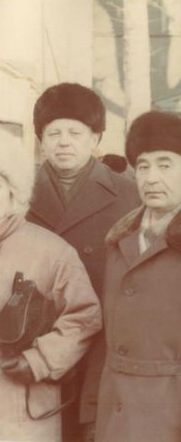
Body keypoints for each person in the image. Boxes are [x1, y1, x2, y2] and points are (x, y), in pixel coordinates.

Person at [0, 128, 102, 441]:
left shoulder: (53, 251)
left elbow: (84, 317)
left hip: (21, 405)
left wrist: (41, 360)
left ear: (13, 191)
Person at [27, 83, 140, 441]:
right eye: (54, 133)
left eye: (75, 133)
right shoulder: (15, 192)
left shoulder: (130, 195)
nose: (64, 142)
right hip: (34, 345)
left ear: (95, 138)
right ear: (40, 140)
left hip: (103, 347)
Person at [95, 111, 181, 442]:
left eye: (165, 164)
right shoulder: (119, 241)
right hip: (115, 416)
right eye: (143, 166)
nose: (151, 177)